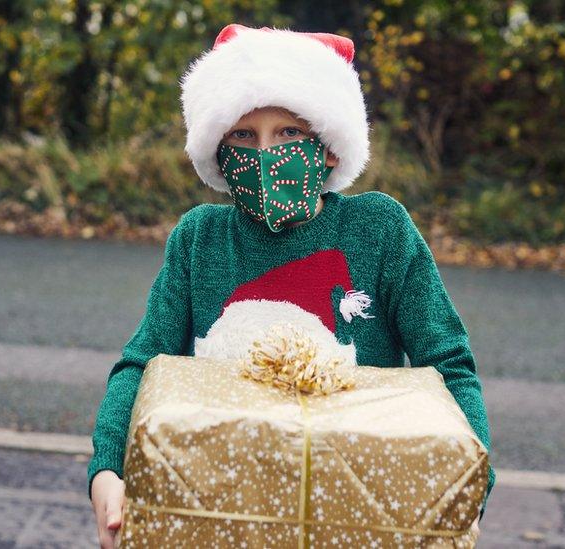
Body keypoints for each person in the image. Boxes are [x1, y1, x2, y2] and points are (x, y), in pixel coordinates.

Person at [88, 24, 494, 548]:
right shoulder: (199, 239)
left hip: (356, 515)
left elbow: (448, 363)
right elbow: (142, 364)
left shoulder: (379, 230)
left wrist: (470, 485)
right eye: (242, 136)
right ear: (218, 149)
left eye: (288, 134)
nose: (264, 155)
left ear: (327, 146)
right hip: (218, 511)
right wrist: (107, 470)